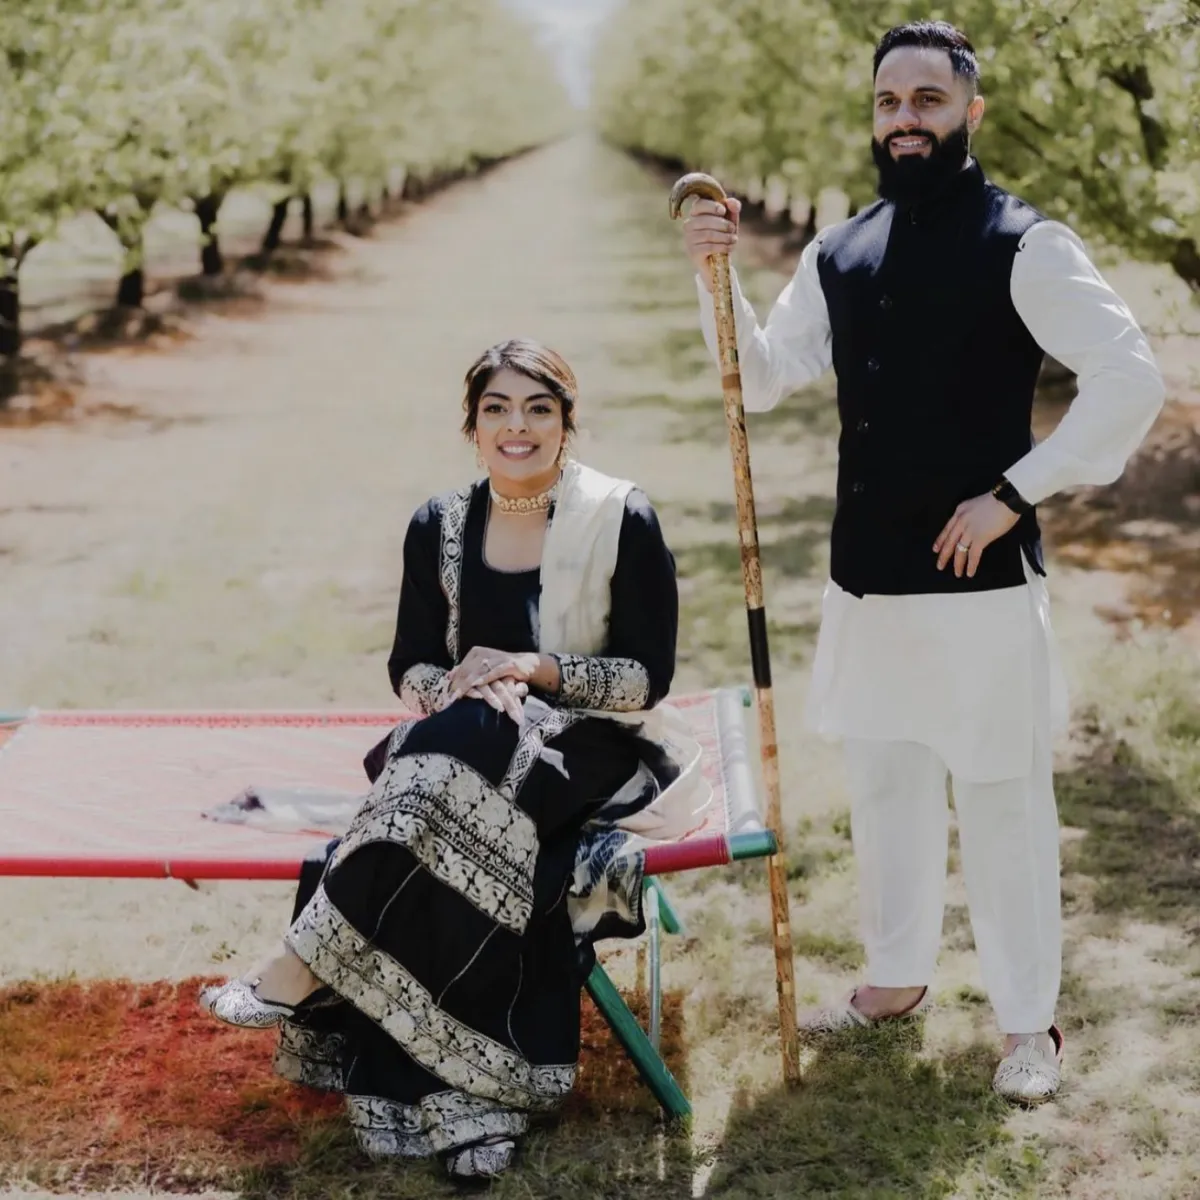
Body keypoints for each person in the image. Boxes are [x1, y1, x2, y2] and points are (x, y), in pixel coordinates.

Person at [681, 20, 1165, 1103]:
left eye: (928, 101)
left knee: (1002, 805)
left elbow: (1130, 378)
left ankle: (1027, 1024)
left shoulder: (1024, 243)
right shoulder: (838, 250)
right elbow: (758, 378)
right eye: (889, 102)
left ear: (969, 113)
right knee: (886, 786)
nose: (906, 120)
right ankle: (895, 981)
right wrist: (713, 279)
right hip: (868, 581)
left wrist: (1012, 494)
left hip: (982, 592)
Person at [198, 338, 709, 1179]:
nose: (518, 427)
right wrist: (471, 690)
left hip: (592, 743)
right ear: (471, 425)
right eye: (498, 409)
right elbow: (411, 665)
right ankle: (473, 1109)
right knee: (461, 763)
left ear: (568, 424)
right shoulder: (437, 524)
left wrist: (529, 669)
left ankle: (306, 959)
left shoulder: (621, 517)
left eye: (539, 408)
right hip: (461, 741)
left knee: (450, 774)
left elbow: (646, 678)